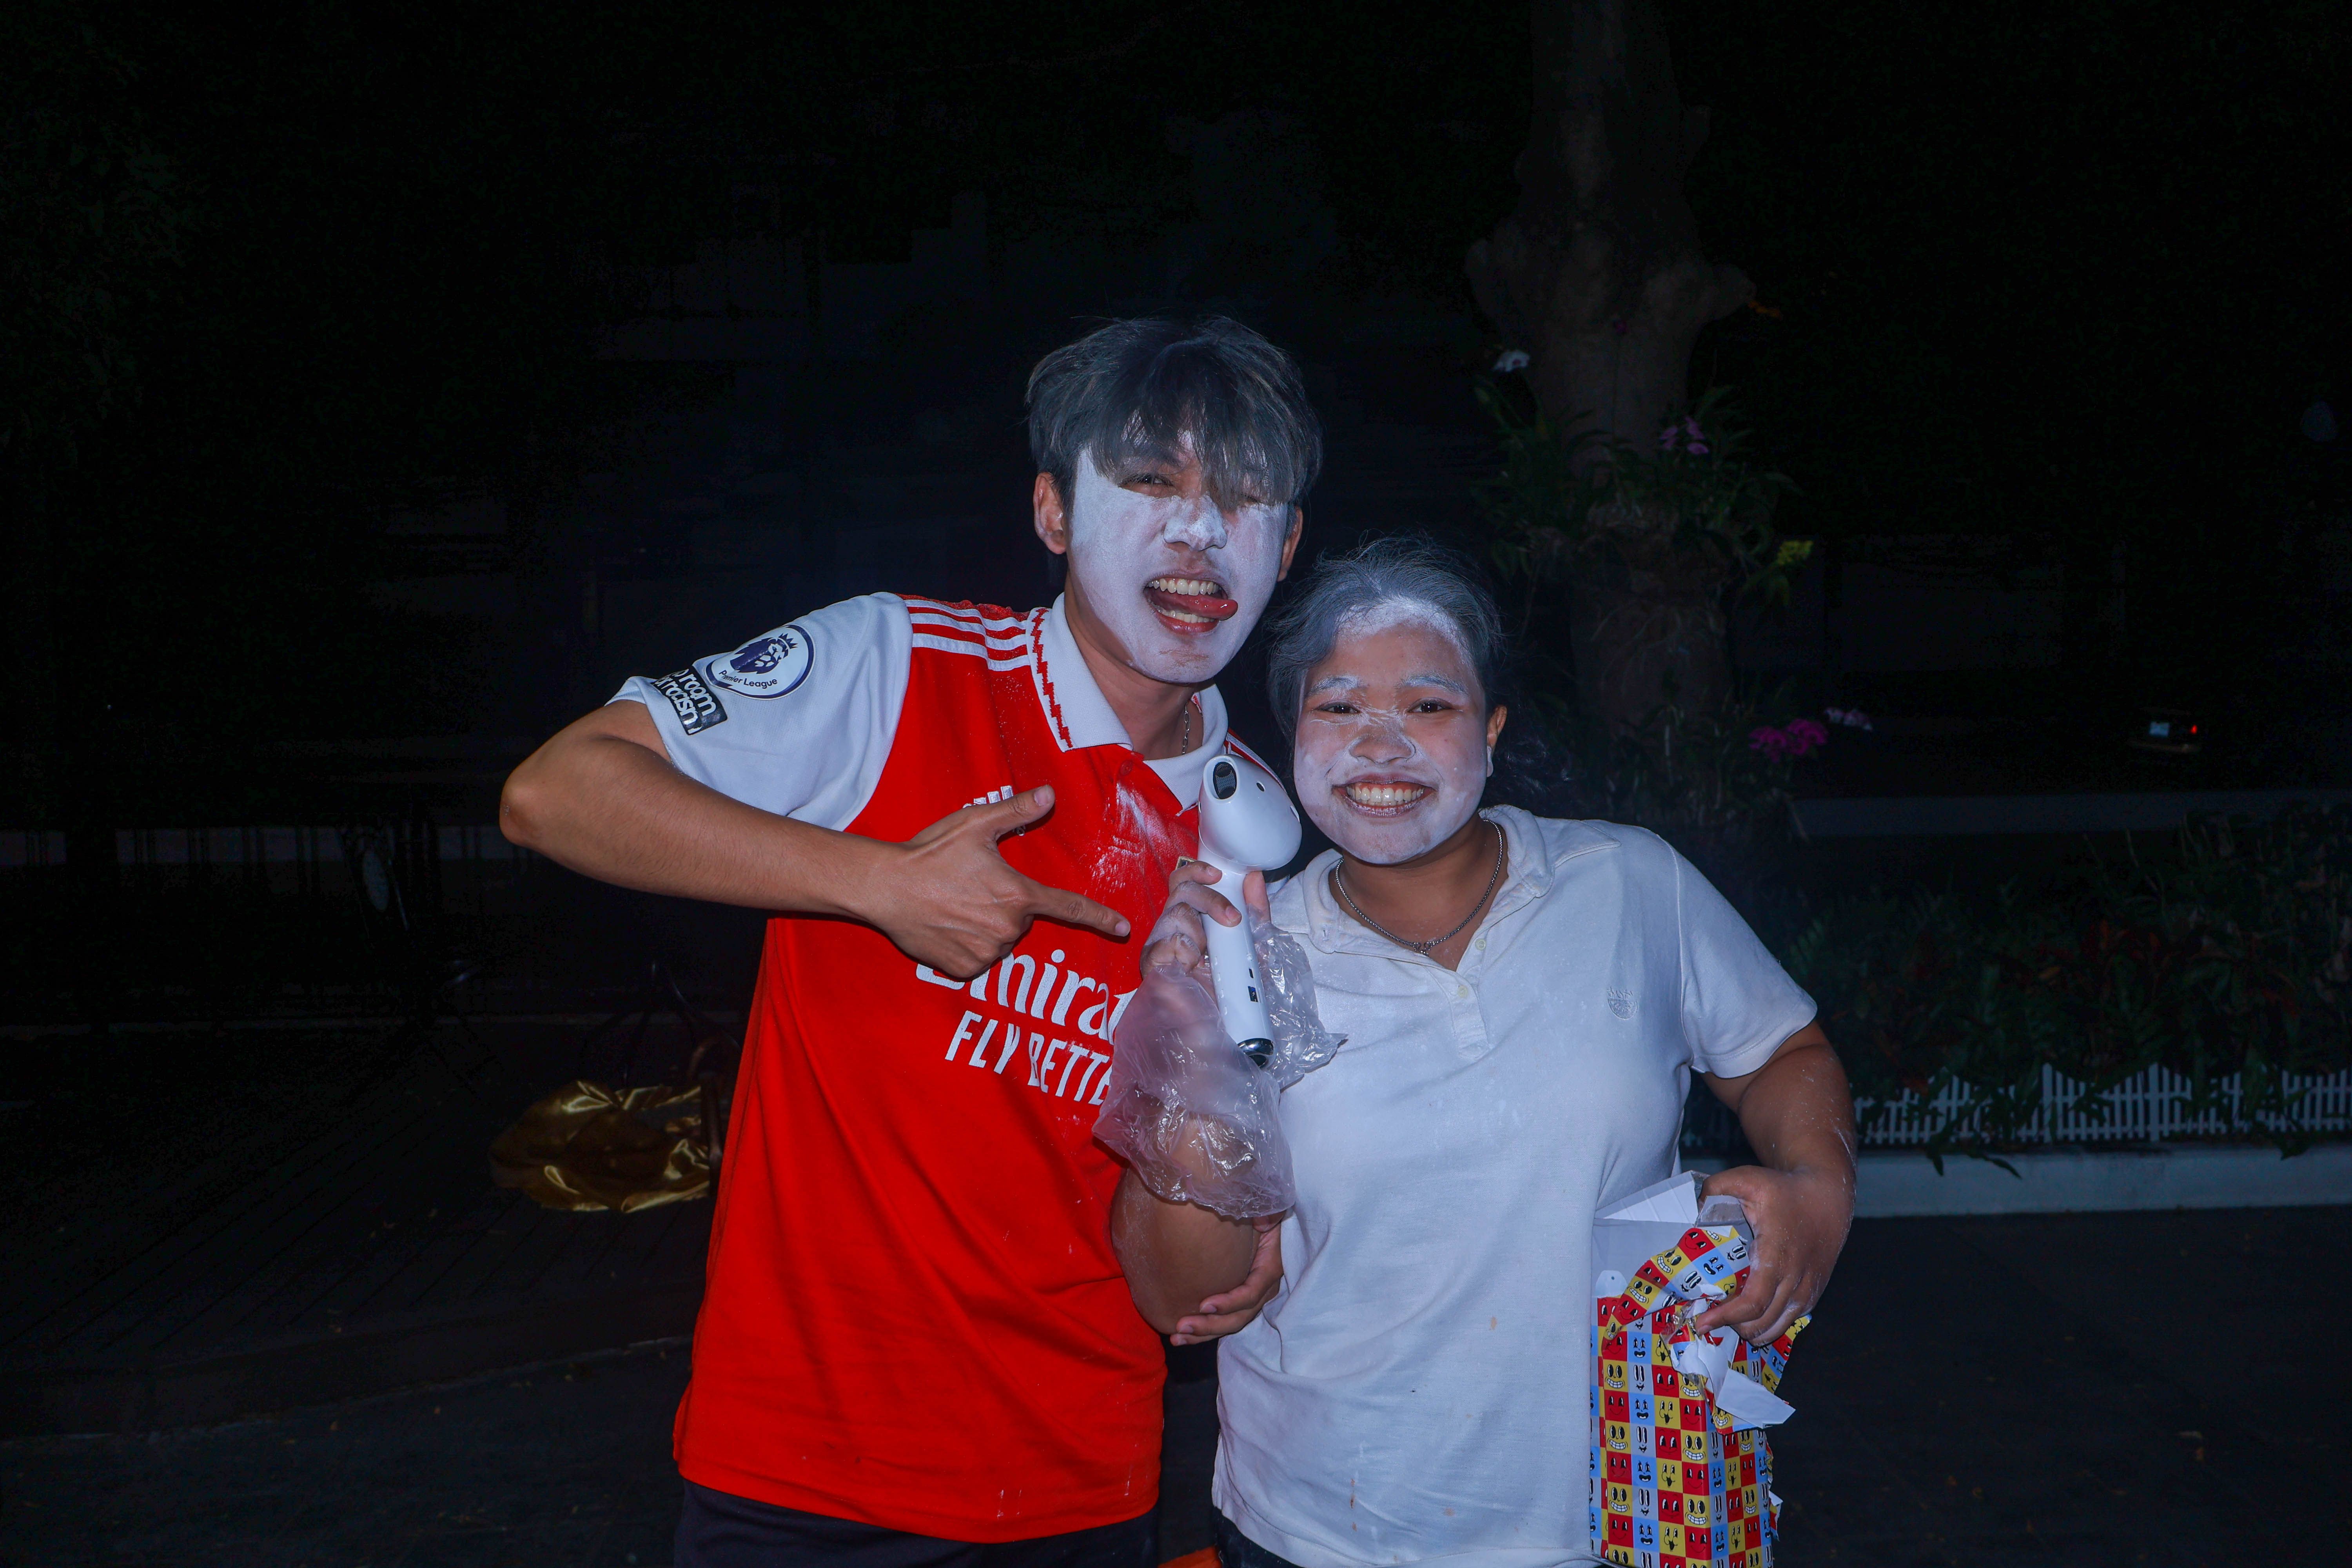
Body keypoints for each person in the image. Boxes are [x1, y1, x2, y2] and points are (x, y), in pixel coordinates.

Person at [499, 317, 1319, 1567]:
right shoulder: (901, 664)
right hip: (808, 1467)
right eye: (1152, 480)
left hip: (1082, 1480)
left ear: (1289, 545)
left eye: (1245, 497)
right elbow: (557, 791)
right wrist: (878, 884)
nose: (1199, 535)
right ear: (1054, 511)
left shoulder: (1254, 834)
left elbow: (1178, 1294)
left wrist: (1213, 1134)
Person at [1113, 537, 1857, 1568]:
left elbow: (1782, 1053)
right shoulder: (1253, 956)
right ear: (1290, 743)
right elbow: (1177, 1299)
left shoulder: (1630, 884)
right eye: (1340, 707)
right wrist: (1192, 1040)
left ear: (1493, 730)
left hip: (1622, 1517)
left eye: (1428, 705)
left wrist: (1820, 1188)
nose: (1381, 745)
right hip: (1322, 1530)